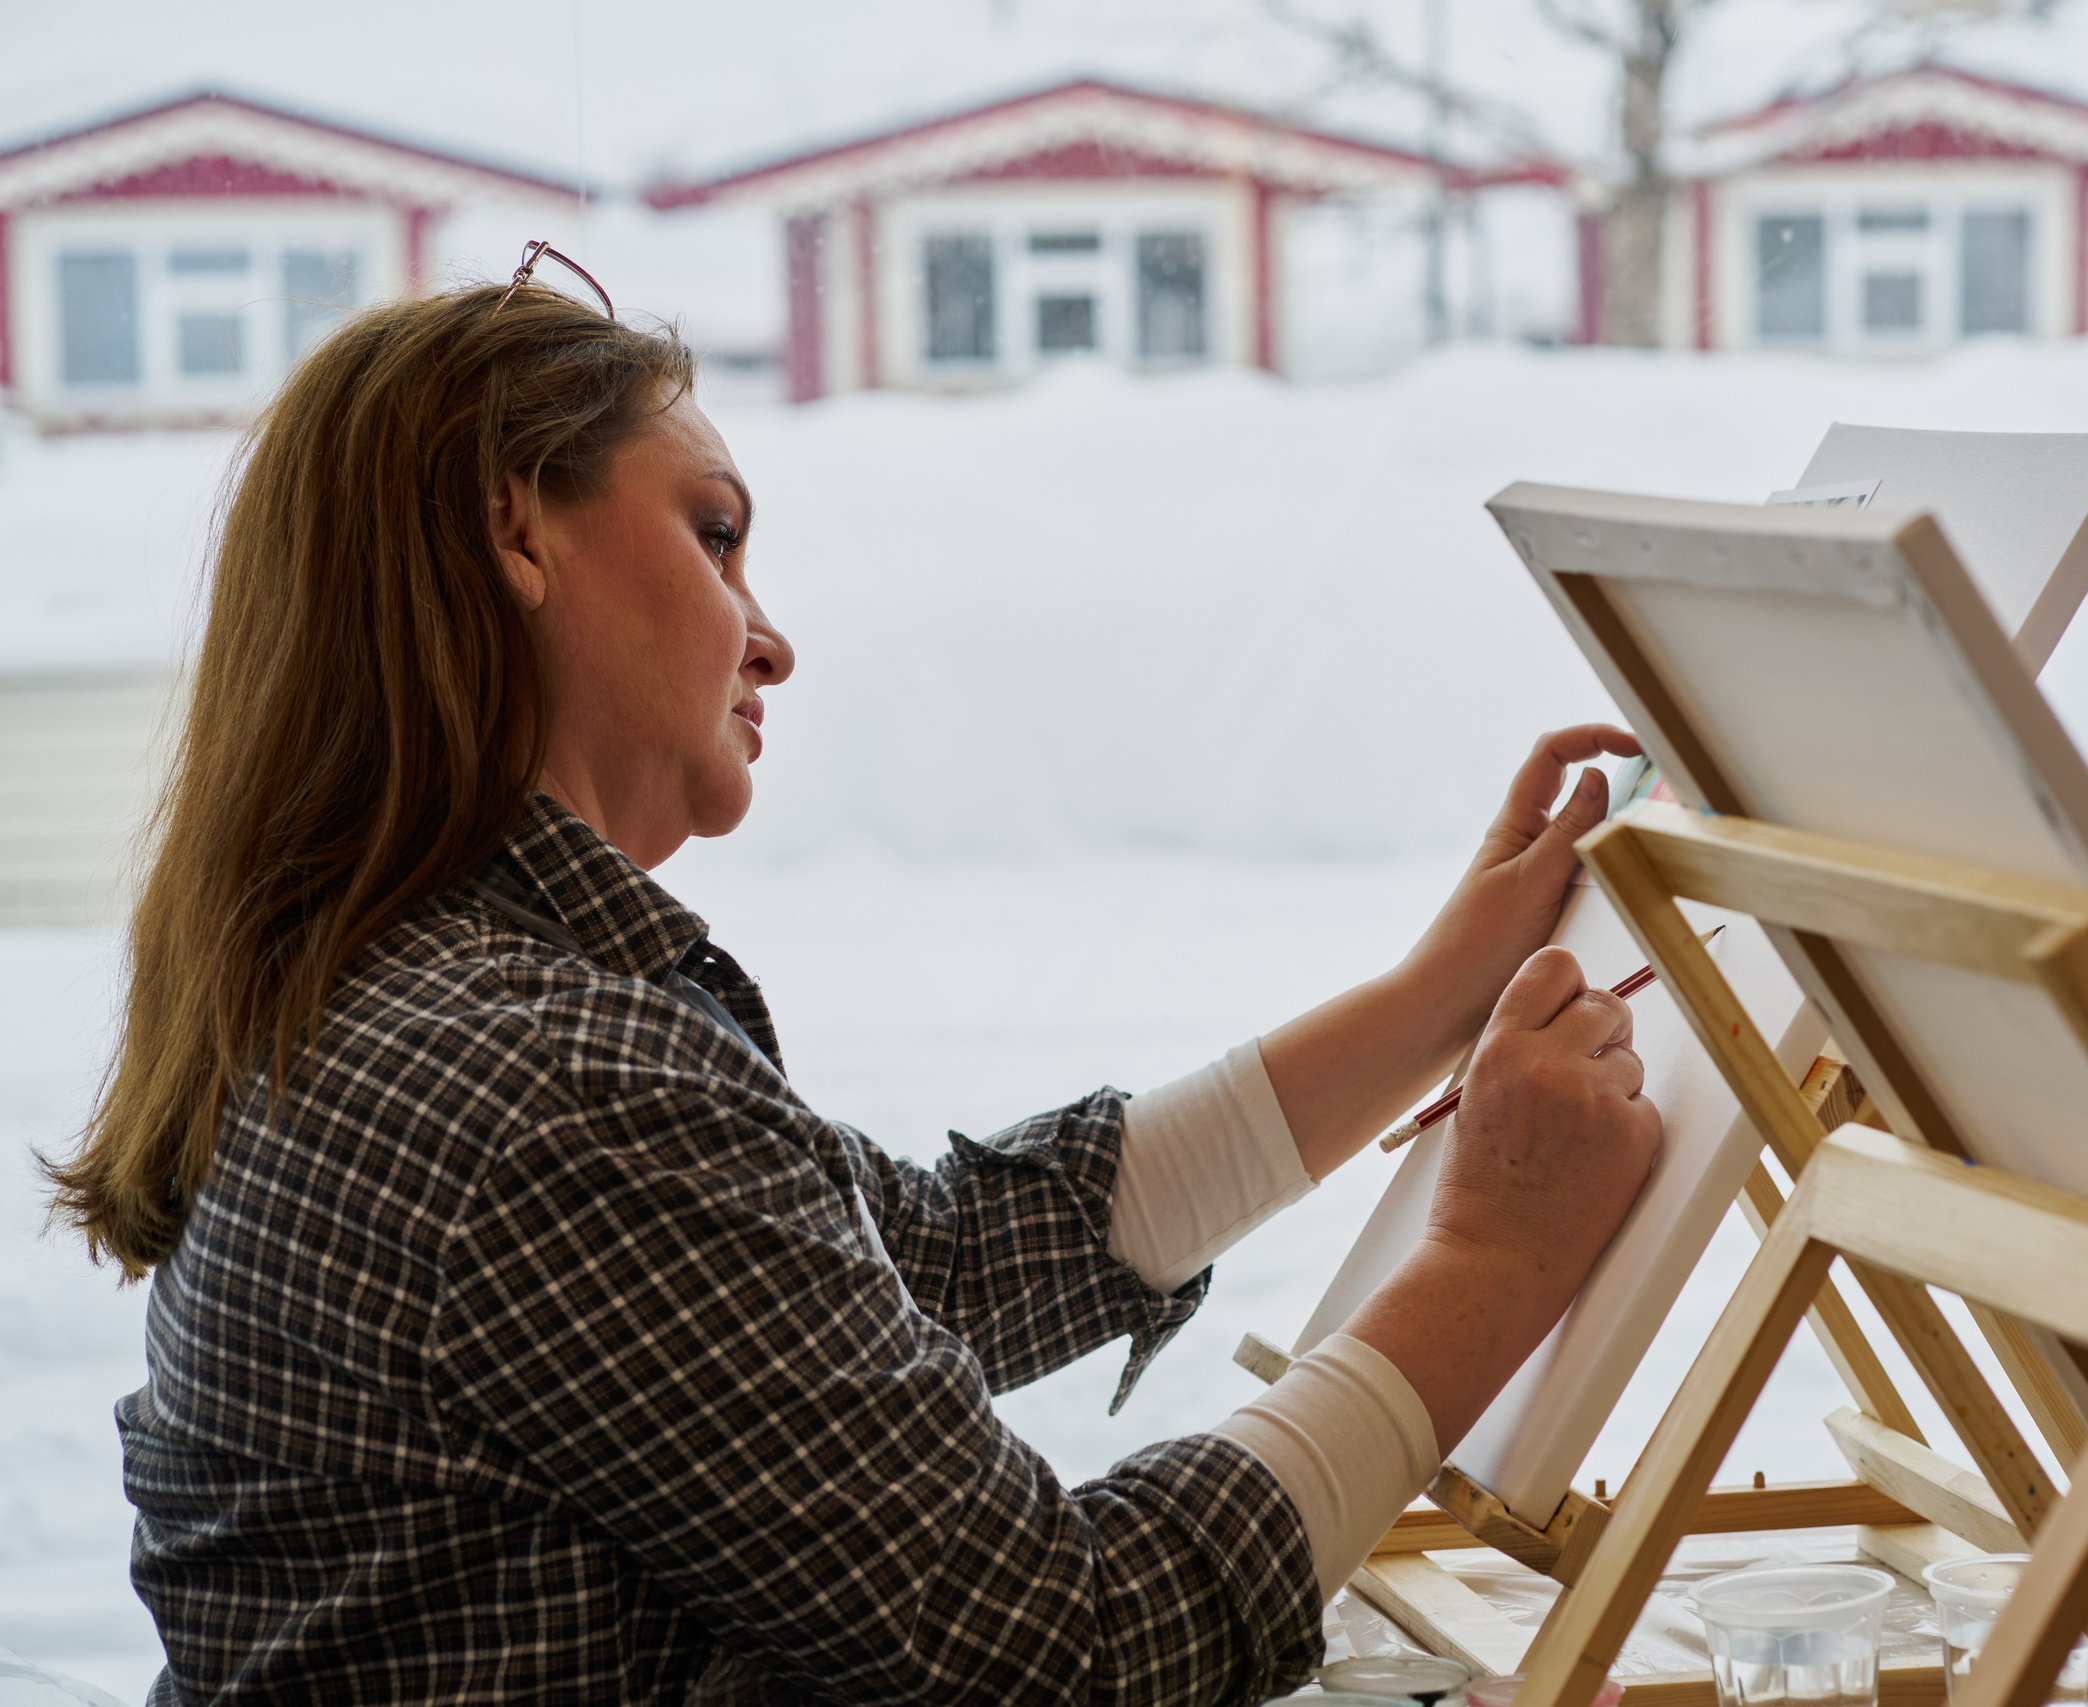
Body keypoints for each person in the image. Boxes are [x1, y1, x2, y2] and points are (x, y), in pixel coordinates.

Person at [41, 276, 1663, 1705]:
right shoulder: (537, 1074)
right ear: (514, 526)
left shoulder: (423, 998)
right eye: (716, 535)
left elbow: (923, 1265)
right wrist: (1490, 1261)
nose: (771, 640)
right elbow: (1066, 1651)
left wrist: (1438, 995)